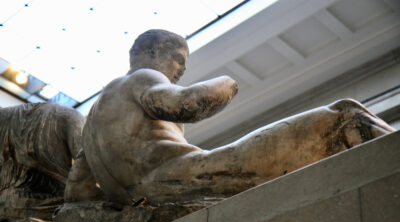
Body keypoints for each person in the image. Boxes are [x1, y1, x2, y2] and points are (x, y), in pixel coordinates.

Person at [65, 29, 395, 206]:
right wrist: (229, 82)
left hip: (156, 193)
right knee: (343, 116)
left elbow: (77, 194)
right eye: (178, 59)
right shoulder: (141, 79)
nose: (181, 69)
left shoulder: (93, 117)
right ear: (151, 54)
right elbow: (192, 104)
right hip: (186, 176)